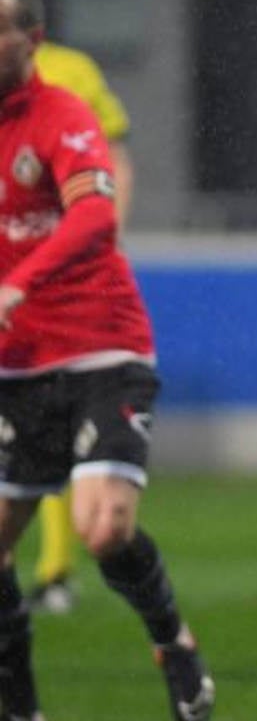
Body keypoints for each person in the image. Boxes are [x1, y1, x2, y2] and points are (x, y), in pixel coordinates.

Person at [0, 0, 213, 721]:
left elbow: (93, 217)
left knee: (104, 530)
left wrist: (19, 281)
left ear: (32, 38)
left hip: (99, 348)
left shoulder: (60, 112)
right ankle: (20, 707)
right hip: (15, 366)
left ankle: (173, 644)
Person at [25, 37, 136, 615]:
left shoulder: (71, 73)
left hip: (54, 273)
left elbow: (113, 158)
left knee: (47, 416)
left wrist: (103, 241)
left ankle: (55, 567)